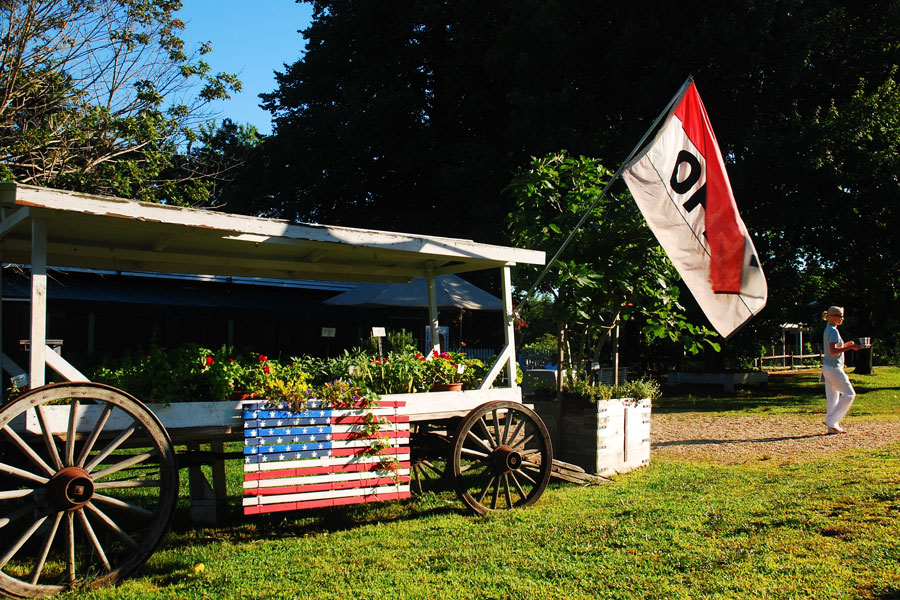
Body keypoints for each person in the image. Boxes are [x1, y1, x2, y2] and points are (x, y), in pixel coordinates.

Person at [821, 306, 859, 434]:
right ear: (831, 316)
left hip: (827, 367)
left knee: (833, 398)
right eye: (839, 316)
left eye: (842, 316)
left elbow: (834, 348)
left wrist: (846, 345)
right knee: (849, 394)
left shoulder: (828, 330)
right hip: (834, 368)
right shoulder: (833, 331)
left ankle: (832, 427)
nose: (842, 318)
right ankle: (831, 421)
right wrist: (851, 348)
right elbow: (833, 351)